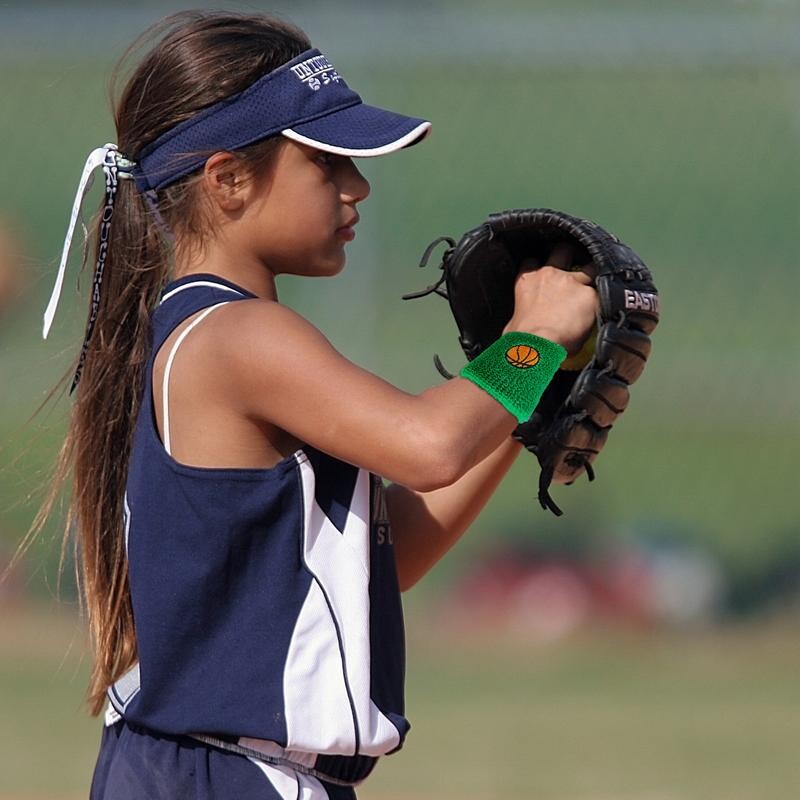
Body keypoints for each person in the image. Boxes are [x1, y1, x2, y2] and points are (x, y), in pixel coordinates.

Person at [36, 10, 598, 800]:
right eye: (327, 162)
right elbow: (429, 445)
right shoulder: (238, 336)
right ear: (227, 178)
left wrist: (526, 399)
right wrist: (531, 337)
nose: (357, 186)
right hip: (221, 777)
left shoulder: (207, 330)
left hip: (219, 773)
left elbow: (385, 554)